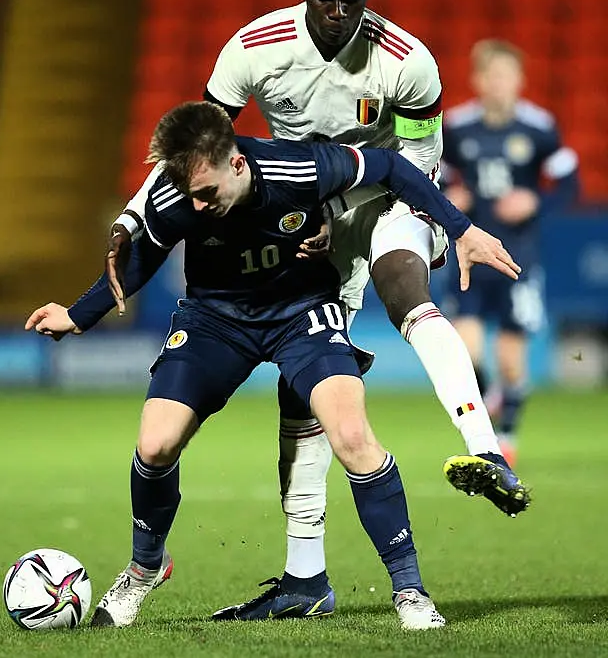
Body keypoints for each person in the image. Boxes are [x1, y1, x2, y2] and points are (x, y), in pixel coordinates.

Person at [108, 0, 528, 619]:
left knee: (404, 286)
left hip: (386, 195)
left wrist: (430, 223)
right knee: (306, 390)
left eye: (352, 0)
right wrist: (131, 216)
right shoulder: (253, 49)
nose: (338, 12)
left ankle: (487, 449)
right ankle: (306, 580)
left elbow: (416, 166)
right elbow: (195, 150)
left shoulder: (409, 62)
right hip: (301, 209)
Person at [26, 102, 523, 630]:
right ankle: (144, 568)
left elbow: (393, 168)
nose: (195, 208)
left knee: (353, 436)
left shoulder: (301, 167)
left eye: (206, 194)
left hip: (302, 313)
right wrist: (79, 316)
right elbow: (145, 252)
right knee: (155, 444)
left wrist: (461, 228)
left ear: (236, 164)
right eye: (189, 197)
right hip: (215, 317)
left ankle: (411, 593)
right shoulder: (176, 193)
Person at [442, 39, 578, 466]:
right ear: (478, 79)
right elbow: (434, 176)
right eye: (491, 75)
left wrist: (536, 201)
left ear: (519, 80)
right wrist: (451, 197)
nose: (499, 84)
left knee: (511, 360)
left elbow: (570, 182)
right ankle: (488, 402)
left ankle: (507, 434)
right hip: (470, 254)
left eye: (507, 75)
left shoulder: (539, 128)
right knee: (467, 351)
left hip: (517, 256)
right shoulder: (457, 126)